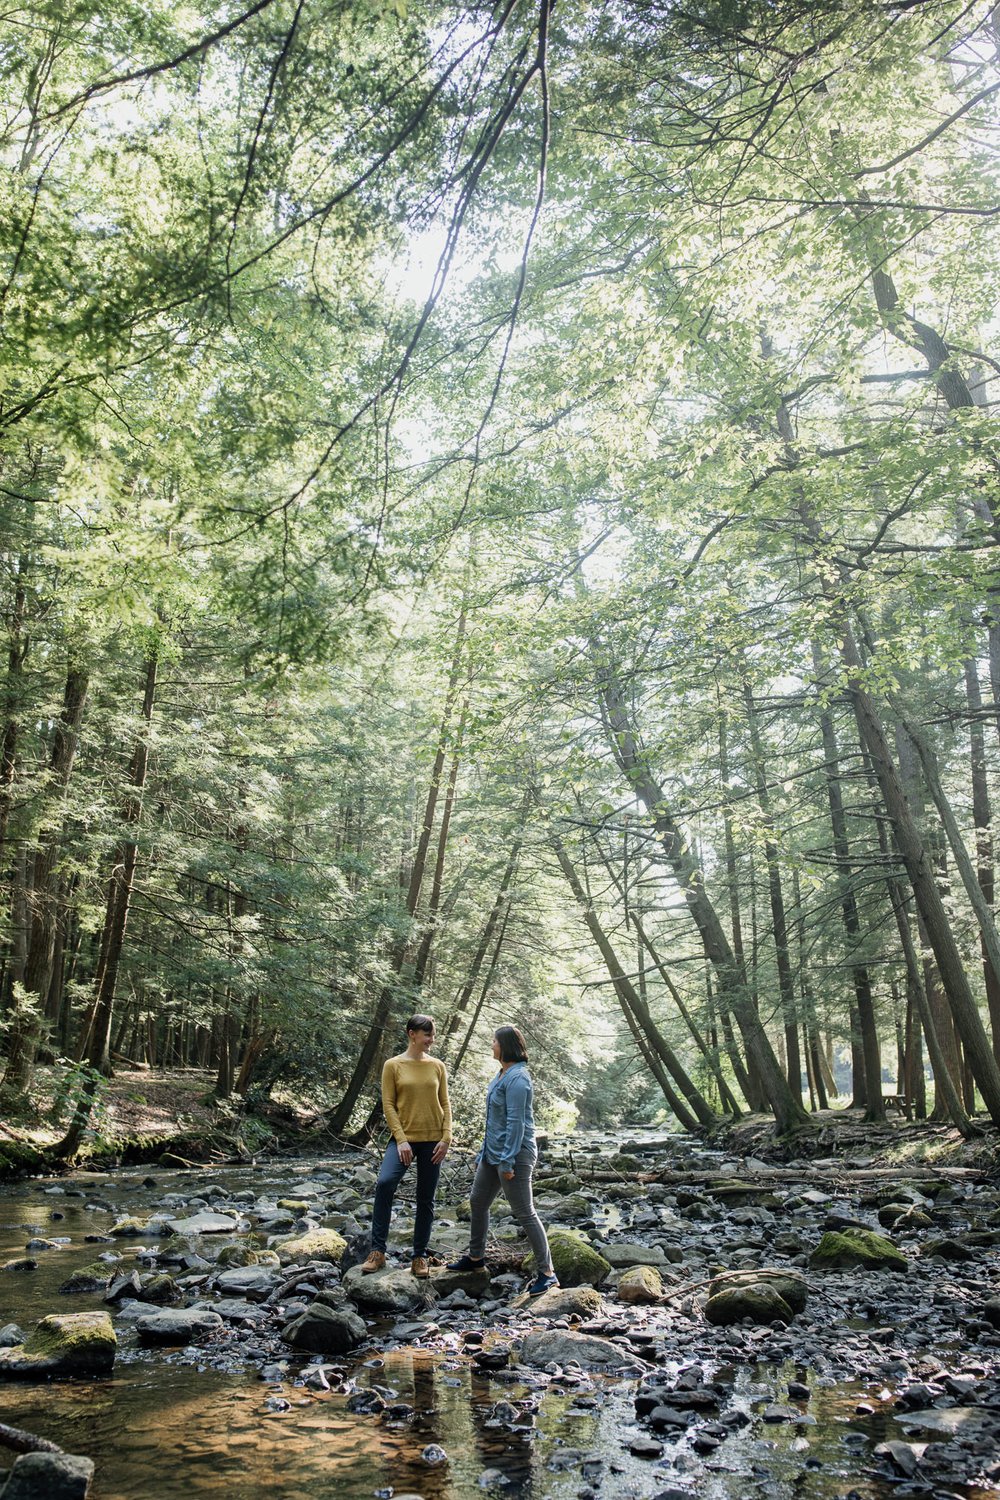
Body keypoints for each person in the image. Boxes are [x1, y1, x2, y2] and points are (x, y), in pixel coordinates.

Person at [448, 1024, 558, 1297]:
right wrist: (483, 1153)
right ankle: (475, 1258)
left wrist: (507, 1162)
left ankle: (548, 1273)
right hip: (492, 1154)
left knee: (525, 1212)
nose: (491, 1045)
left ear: (506, 1046)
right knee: (477, 1202)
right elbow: (493, 1121)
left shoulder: (519, 1078)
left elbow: (516, 1124)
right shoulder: (501, 1075)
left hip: (515, 1155)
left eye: (494, 1041)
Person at [360, 1014, 451, 1278]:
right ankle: (377, 1252)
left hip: (434, 1141)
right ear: (412, 1033)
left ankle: (419, 1256)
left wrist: (446, 1138)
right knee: (385, 1183)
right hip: (404, 1140)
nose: (431, 1040)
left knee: (426, 1198)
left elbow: (445, 1104)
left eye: (433, 1035)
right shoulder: (393, 1065)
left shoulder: (437, 1066)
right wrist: (401, 1139)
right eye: (427, 1035)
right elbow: (388, 1104)